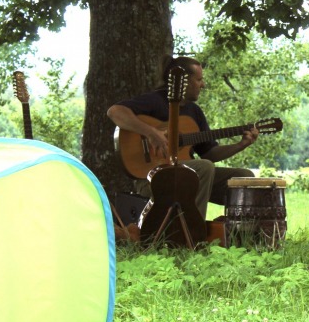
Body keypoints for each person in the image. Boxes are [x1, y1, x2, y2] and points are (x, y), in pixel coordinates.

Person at [107, 56, 259, 220]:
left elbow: (210, 153)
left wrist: (240, 145)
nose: (203, 85)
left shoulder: (194, 112)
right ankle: (194, 232)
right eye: (199, 79)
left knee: (244, 177)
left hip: (185, 176)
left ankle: (235, 230)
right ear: (183, 81)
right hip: (151, 178)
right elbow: (115, 112)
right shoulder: (156, 101)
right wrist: (151, 133)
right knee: (204, 167)